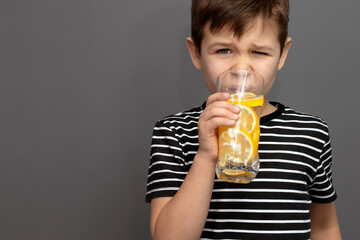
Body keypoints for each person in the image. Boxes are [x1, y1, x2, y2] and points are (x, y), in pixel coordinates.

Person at [145, 0, 342, 239]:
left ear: (282, 54)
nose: (241, 68)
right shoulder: (174, 133)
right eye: (223, 50)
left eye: (258, 52)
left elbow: (324, 227)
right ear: (196, 53)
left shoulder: (311, 133)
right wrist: (206, 157)